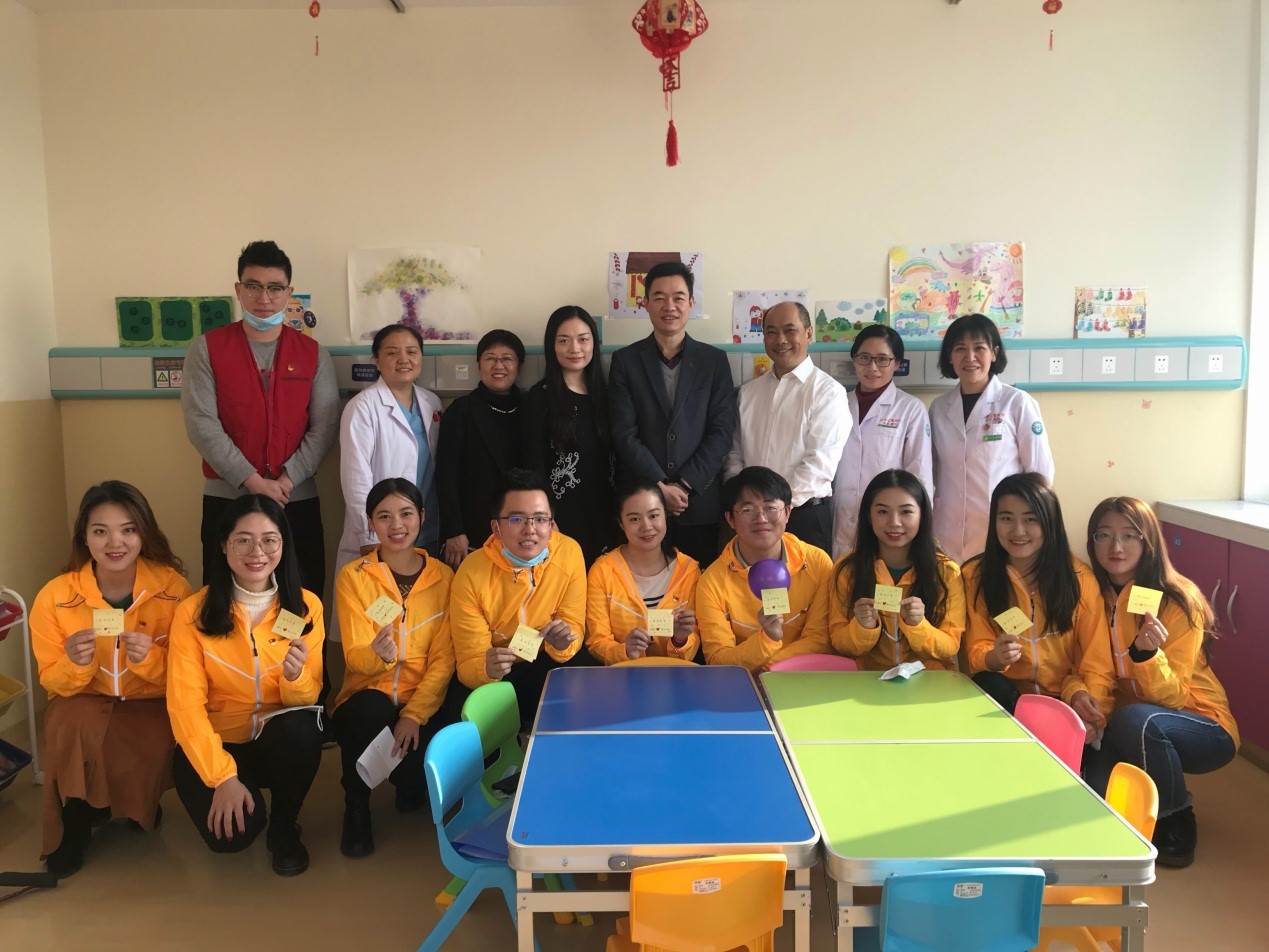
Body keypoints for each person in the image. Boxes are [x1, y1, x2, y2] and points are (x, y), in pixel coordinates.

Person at [30, 481, 191, 878]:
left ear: (144, 533)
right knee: (72, 725)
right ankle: (74, 824)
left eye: (128, 529)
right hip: (83, 695)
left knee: (147, 736)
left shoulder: (173, 589)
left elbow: (189, 670)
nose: (115, 542)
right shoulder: (55, 595)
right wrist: (74, 663)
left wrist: (150, 660)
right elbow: (52, 681)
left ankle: (135, 806)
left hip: (150, 697)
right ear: (84, 538)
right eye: (100, 531)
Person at [166, 494, 324, 876]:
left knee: (303, 728)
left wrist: (295, 678)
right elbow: (185, 706)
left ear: (283, 545)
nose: (258, 552)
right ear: (224, 545)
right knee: (231, 838)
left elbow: (309, 695)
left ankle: (284, 827)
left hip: (275, 737)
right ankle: (246, 798)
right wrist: (222, 776)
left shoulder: (306, 607)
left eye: (269, 540)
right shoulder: (192, 613)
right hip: (217, 741)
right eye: (243, 540)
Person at [1082, 497, 1239, 867]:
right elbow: (1093, 666)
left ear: (1148, 540)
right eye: (1104, 535)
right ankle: (1146, 806)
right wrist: (1092, 712)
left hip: (1203, 725)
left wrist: (1146, 655)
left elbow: (1174, 695)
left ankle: (1175, 814)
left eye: (1129, 536)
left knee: (1137, 719)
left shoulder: (1178, 599)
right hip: (1126, 724)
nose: (1116, 547)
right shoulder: (1093, 596)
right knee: (1100, 801)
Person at [180, 240, 338, 595]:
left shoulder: (313, 354)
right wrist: (252, 481)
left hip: (294, 498)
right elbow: (201, 424)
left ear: (288, 293)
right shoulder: (207, 349)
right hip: (228, 496)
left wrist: (286, 480)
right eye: (254, 286)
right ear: (239, 290)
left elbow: (325, 427)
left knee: (301, 594)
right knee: (224, 596)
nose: (264, 298)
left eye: (275, 288)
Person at [332, 478, 455, 858]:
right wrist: (379, 655)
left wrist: (415, 714)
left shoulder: (445, 578)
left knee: (425, 762)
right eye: (384, 516)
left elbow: (443, 659)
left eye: (406, 513)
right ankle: (356, 806)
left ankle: (408, 782)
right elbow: (354, 657)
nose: (396, 525)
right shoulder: (354, 577)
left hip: (422, 700)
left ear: (422, 516)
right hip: (370, 695)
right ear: (371, 522)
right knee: (369, 709)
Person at [963, 473, 1114, 742]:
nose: (1018, 531)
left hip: (1063, 704)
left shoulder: (1079, 579)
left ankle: (1048, 739)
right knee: (988, 683)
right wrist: (994, 657)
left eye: (1030, 519)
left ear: (1049, 522)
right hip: (1008, 702)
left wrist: (1091, 712)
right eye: (1006, 518)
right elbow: (977, 649)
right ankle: (1038, 738)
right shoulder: (977, 576)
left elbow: (1096, 662)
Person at [609, 261, 736, 567]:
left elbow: (722, 431)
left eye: (678, 297)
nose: (670, 306)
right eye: (659, 297)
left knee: (697, 584)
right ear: (645, 304)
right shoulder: (625, 361)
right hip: (642, 504)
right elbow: (624, 433)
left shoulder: (714, 361)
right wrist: (659, 486)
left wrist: (685, 484)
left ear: (691, 302)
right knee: (643, 582)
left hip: (698, 502)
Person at [446, 468, 586, 726]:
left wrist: (564, 643)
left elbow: (574, 624)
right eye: (516, 519)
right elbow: (468, 662)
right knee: (461, 711)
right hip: (499, 671)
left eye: (540, 519)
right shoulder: (471, 573)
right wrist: (486, 669)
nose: (529, 529)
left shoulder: (570, 553)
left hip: (545, 657)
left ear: (551, 524)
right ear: (496, 528)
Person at [335, 323, 443, 650]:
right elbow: (355, 477)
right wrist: (368, 536)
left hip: (426, 530)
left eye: (411, 352)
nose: (403, 359)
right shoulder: (363, 407)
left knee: (423, 627)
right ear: (377, 360)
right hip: (381, 535)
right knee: (379, 626)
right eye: (392, 353)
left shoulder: (432, 402)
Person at [723, 301, 849, 553]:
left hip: (804, 515)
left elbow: (819, 464)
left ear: (808, 333)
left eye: (790, 330)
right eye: (771, 332)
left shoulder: (827, 392)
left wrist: (774, 508)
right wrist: (744, 503)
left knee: (804, 580)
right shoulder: (749, 393)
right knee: (748, 579)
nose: (780, 340)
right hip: (751, 520)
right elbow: (734, 454)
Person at [929, 314, 1053, 564]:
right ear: (950, 356)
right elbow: (930, 470)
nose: (970, 357)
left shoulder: (1016, 402)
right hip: (947, 529)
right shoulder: (938, 408)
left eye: (979, 348)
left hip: (1003, 530)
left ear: (994, 353)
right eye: (960, 348)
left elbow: (1039, 473)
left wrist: (1029, 527)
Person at [696, 466, 833, 671]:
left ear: (787, 512)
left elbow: (819, 639)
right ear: (730, 519)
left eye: (770, 508)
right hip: (743, 683)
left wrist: (769, 666)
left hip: (802, 677)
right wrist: (766, 640)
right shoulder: (711, 581)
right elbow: (718, 658)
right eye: (747, 510)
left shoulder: (817, 563)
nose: (761, 519)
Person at [828, 469, 964, 671]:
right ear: (868, 516)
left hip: (929, 679)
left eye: (906, 512)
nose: (894, 522)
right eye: (882, 511)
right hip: (869, 680)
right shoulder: (847, 570)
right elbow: (839, 642)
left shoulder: (946, 572)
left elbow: (950, 646)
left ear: (922, 515)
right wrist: (862, 627)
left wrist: (919, 625)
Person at [523, 306, 618, 566]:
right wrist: (544, 518)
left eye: (583, 339)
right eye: (564, 340)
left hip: (607, 516)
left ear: (594, 343)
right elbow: (533, 466)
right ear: (551, 346)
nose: (574, 348)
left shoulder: (607, 395)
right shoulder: (540, 397)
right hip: (560, 520)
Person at [829, 324, 932, 559]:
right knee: (843, 578)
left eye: (883, 359)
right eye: (864, 358)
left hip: (890, 526)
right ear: (854, 360)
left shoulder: (910, 409)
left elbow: (920, 475)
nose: (872, 367)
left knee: (884, 579)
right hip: (840, 520)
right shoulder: (836, 404)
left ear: (896, 363)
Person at [436, 329, 525, 570]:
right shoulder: (461, 411)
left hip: (521, 532)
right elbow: (445, 475)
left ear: (519, 366)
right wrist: (454, 530)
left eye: (507, 358)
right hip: (470, 534)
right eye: (490, 358)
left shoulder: (530, 409)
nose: (499, 365)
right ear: (479, 365)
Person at [585, 481, 700, 665]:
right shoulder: (603, 571)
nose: (646, 526)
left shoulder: (689, 570)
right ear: (621, 523)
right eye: (634, 519)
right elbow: (596, 642)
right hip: (624, 676)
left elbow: (695, 639)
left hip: (676, 674)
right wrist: (625, 651)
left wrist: (680, 640)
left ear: (665, 516)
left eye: (654, 515)